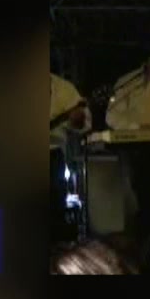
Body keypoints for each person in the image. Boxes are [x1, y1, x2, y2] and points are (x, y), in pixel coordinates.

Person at [104, 52, 150, 245]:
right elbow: (112, 117)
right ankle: (139, 243)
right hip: (134, 149)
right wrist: (136, 127)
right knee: (138, 197)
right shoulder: (127, 82)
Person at [50, 72, 93, 243]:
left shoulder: (64, 89)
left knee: (54, 206)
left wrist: (78, 120)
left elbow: (85, 124)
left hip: (52, 152)